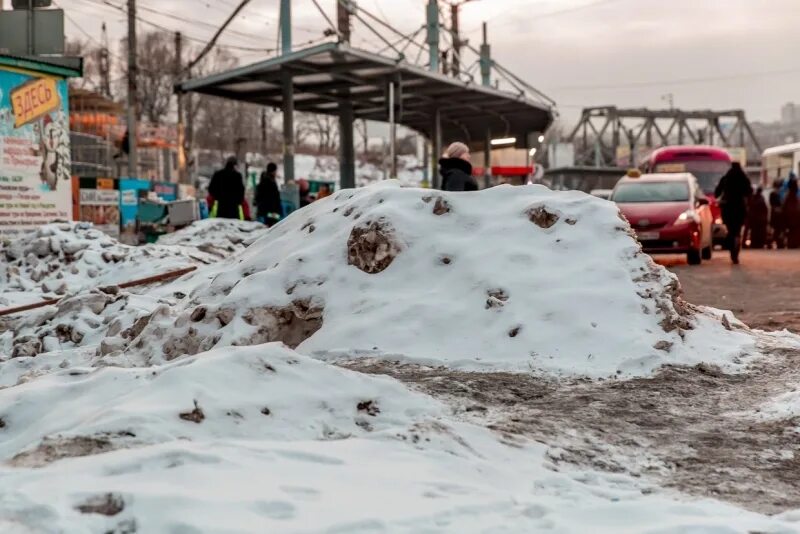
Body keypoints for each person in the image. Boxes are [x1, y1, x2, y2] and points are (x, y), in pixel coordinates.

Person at [714, 162, 752, 264]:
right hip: (740, 207)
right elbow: (749, 191)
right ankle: (735, 248)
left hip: (728, 208)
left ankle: (732, 248)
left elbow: (717, 191)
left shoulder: (726, 177)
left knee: (731, 229)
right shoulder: (743, 177)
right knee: (737, 230)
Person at [256, 162, 283, 227]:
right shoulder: (270, 181)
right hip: (271, 210)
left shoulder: (264, 180)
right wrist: (276, 209)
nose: (276, 172)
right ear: (273, 171)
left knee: (269, 224)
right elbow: (273, 197)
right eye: (275, 170)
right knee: (272, 225)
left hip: (266, 209)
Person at [784, 177, 800, 248]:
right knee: (794, 231)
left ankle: (792, 243)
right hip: (794, 218)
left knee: (792, 231)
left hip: (791, 218)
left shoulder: (788, 197)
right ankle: (794, 243)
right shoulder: (794, 198)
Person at [769, 178, 785, 248]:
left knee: (777, 229)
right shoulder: (775, 194)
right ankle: (774, 242)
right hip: (776, 214)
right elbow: (773, 204)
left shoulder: (777, 194)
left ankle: (775, 242)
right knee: (776, 229)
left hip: (777, 214)